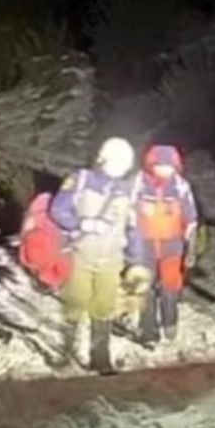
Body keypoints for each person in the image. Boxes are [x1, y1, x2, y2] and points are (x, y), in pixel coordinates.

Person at [48, 137, 137, 374]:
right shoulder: (80, 180)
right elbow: (57, 209)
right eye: (116, 160)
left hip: (111, 259)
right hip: (80, 255)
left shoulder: (127, 190)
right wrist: (82, 223)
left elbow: (133, 226)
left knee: (104, 309)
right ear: (102, 158)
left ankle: (100, 358)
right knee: (75, 305)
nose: (119, 166)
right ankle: (65, 353)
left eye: (123, 162)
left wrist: (137, 257)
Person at [126, 144, 198, 345]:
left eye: (170, 167)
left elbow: (191, 219)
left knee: (171, 285)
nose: (165, 171)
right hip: (144, 244)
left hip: (172, 245)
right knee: (144, 286)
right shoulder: (138, 183)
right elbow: (128, 214)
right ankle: (148, 329)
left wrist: (191, 249)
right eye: (161, 166)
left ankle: (170, 322)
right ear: (151, 165)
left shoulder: (181, 186)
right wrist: (130, 245)